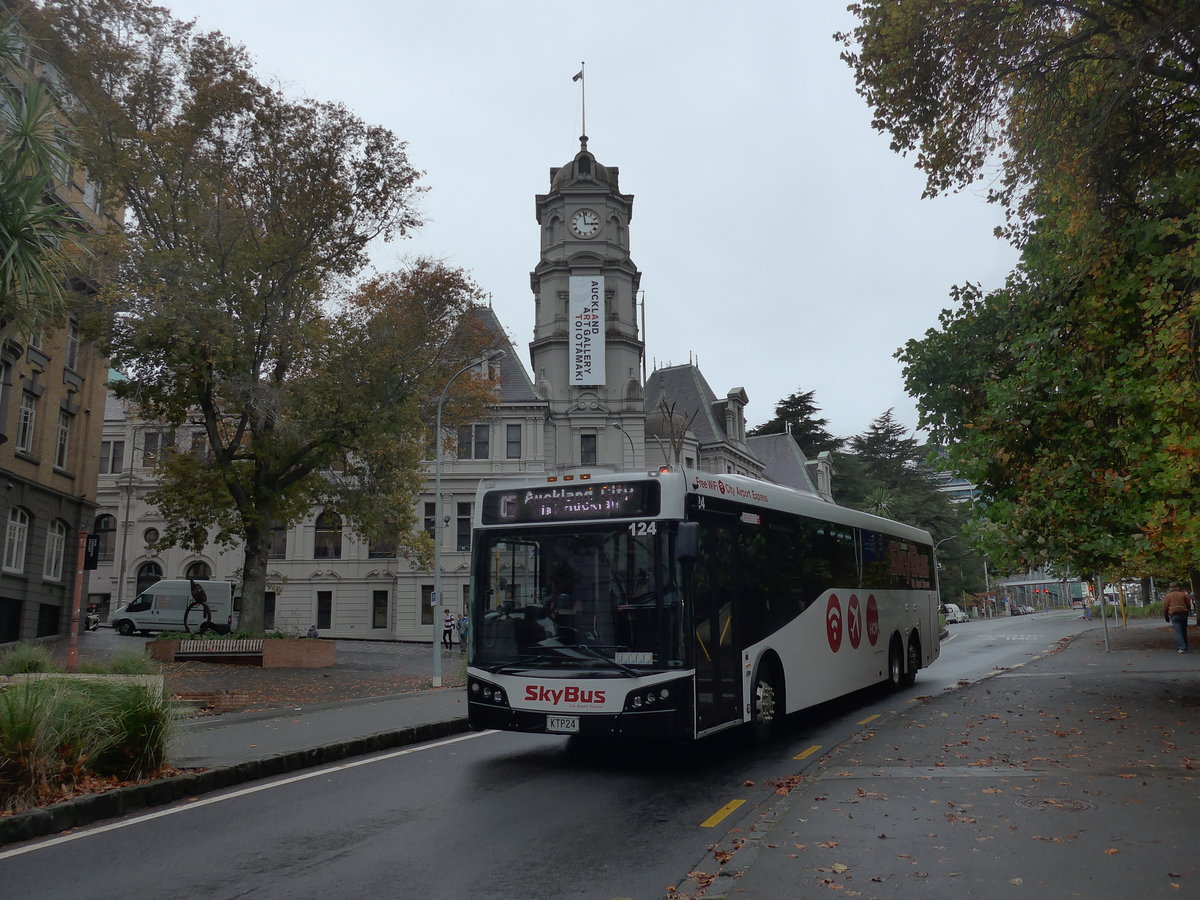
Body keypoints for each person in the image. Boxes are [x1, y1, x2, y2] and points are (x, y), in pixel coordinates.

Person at [1163, 582, 1191, 653]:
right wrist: (1187, 610)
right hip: (1183, 613)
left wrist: (1166, 617)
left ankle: (1182, 647)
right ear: (1177, 587)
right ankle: (1186, 646)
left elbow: (1166, 607)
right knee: (1184, 630)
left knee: (1178, 631)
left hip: (1174, 614)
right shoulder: (1183, 594)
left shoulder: (1168, 596)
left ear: (1170, 588)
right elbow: (1188, 604)